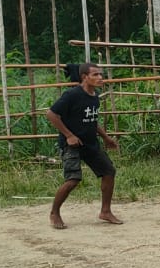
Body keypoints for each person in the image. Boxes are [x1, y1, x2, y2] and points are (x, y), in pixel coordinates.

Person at [47, 62, 120, 229]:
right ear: (84, 77)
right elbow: (51, 114)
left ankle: (105, 211)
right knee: (73, 179)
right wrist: (69, 135)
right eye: (95, 75)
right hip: (71, 145)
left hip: (90, 143)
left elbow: (92, 120)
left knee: (108, 172)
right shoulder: (72, 95)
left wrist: (106, 138)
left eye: (101, 74)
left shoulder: (94, 96)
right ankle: (54, 212)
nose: (100, 78)